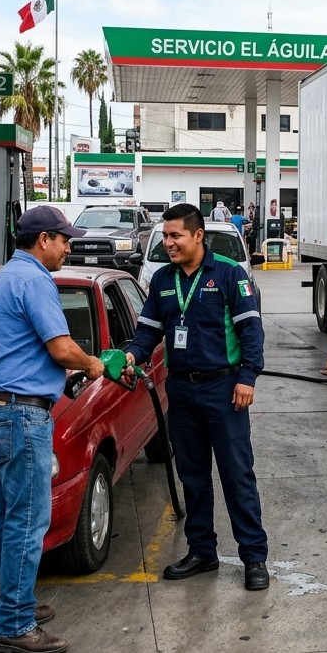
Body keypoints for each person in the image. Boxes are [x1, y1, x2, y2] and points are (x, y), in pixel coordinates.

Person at [0, 204, 105, 653]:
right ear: (43, 240)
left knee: (5, 516)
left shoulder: (6, 276)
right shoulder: (34, 280)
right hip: (21, 414)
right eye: (64, 239)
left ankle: (5, 607)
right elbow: (61, 348)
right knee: (28, 521)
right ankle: (15, 625)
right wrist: (91, 364)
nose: (68, 248)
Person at [122, 203, 270, 591]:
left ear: (198, 235)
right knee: (193, 475)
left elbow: (251, 331)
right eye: (165, 236)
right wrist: (132, 355)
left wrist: (248, 377)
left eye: (176, 236)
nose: (168, 243)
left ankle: (254, 556)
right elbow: (147, 332)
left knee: (237, 474)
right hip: (182, 391)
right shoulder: (162, 280)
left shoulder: (229, 273)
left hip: (225, 390)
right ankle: (202, 551)